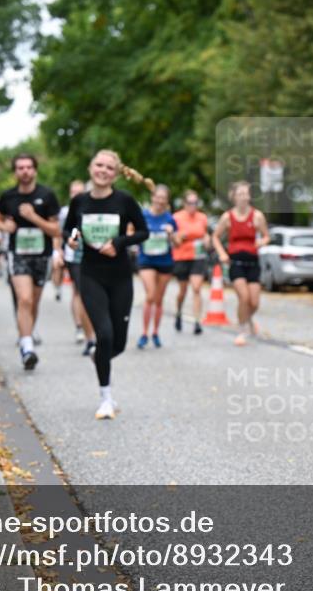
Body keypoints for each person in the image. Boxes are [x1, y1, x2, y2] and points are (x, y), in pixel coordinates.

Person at [62, 149, 149, 420]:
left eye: (109, 168)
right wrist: (72, 238)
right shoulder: (79, 201)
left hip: (120, 275)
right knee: (105, 335)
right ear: (91, 168)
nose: (103, 171)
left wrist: (119, 243)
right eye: (99, 165)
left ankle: (101, 359)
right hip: (90, 274)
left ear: (116, 174)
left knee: (118, 344)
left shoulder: (124, 201)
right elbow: (69, 228)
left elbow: (144, 231)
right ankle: (106, 398)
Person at [0, 153, 61, 370]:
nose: (25, 171)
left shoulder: (47, 195)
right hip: (18, 254)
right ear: (15, 172)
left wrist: (33, 218)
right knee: (24, 299)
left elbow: (55, 229)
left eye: (29, 167)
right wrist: (5, 227)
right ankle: (27, 347)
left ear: (35, 170)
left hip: (42, 255)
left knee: (34, 302)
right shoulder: (8, 197)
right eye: (20, 168)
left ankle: (27, 334)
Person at [212, 181, 270, 346]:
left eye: (246, 194)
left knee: (254, 302)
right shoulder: (227, 217)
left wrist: (262, 242)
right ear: (234, 197)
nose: (244, 197)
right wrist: (222, 253)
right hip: (236, 263)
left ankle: (249, 318)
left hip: (253, 263)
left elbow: (266, 236)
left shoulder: (257, 216)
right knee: (243, 297)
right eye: (240, 194)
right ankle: (242, 329)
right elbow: (215, 236)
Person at [54, 180, 97, 355]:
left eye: (80, 191)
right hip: (75, 257)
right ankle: (82, 329)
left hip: (97, 257)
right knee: (80, 292)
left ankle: (90, 328)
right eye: (74, 192)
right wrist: (57, 252)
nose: (77, 195)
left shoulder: (93, 207)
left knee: (91, 293)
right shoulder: (65, 212)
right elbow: (59, 232)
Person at [136, 185, 180, 349]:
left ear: (167, 201)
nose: (160, 200)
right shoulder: (143, 215)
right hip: (146, 259)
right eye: (158, 197)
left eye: (164, 198)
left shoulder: (170, 219)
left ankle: (155, 332)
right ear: (153, 197)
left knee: (159, 299)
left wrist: (171, 234)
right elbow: (133, 232)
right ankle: (144, 333)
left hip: (164, 261)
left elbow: (177, 243)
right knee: (151, 295)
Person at [172, 190, 209, 335]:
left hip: (198, 256)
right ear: (184, 203)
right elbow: (174, 239)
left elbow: (205, 233)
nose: (193, 205)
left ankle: (197, 322)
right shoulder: (176, 217)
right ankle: (179, 312)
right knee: (183, 290)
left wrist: (207, 239)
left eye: (195, 203)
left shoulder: (202, 218)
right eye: (190, 203)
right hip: (181, 256)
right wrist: (179, 237)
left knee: (197, 288)